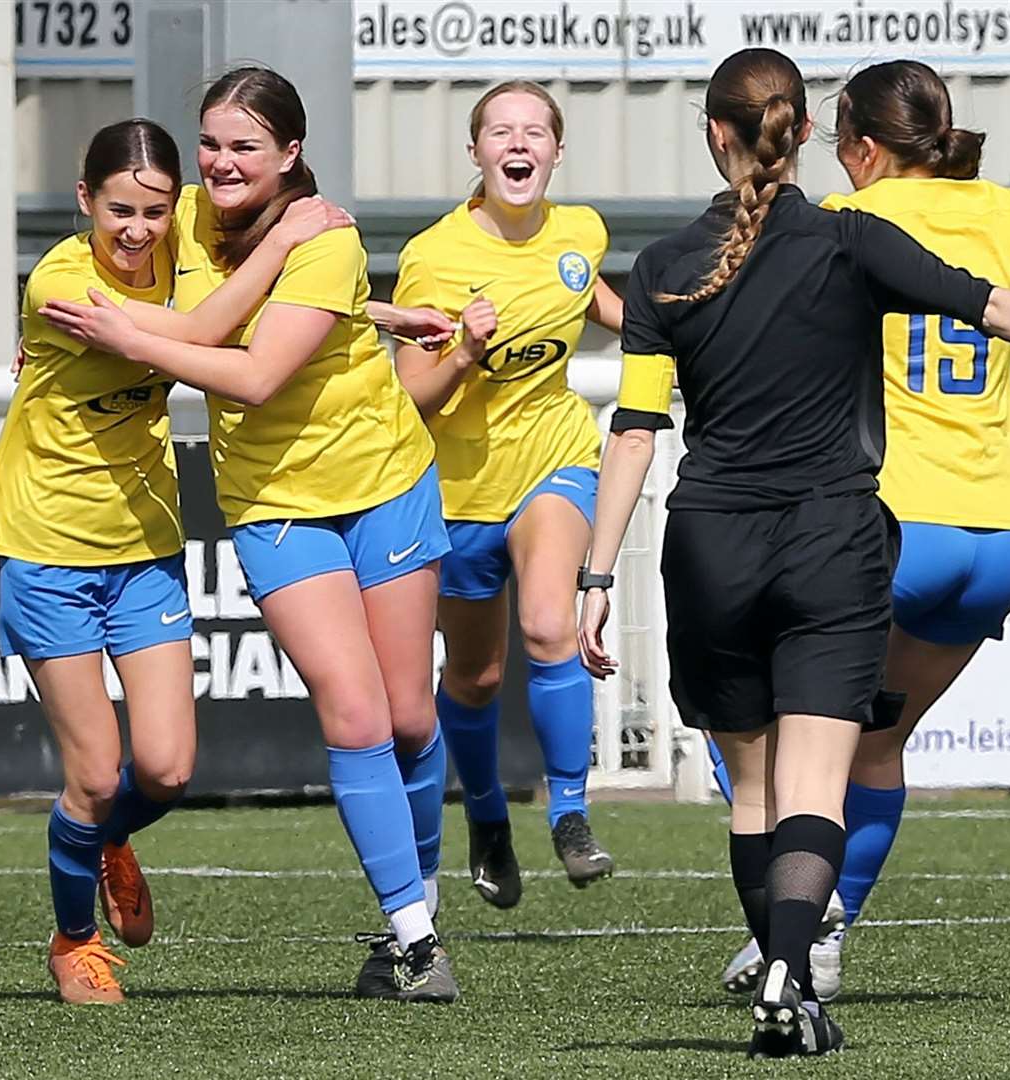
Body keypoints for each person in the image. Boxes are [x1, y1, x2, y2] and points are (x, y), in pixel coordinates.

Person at [576, 48, 1010, 1059]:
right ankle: (792, 970)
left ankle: (778, 965)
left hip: (712, 544)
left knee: (757, 794)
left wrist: (596, 576)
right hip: (836, 541)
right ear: (803, 133)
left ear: (713, 134)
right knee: (828, 782)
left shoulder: (663, 269)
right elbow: (993, 305)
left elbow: (634, 430)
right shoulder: (853, 241)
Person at [38, 67, 461, 1003]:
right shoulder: (181, 212)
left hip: (385, 481)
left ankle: (418, 896)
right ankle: (415, 936)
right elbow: (188, 315)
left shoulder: (323, 237)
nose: (221, 163)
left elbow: (255, 371)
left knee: (410, 717)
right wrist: (383, 313)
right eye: (212, 143)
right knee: (352, 715)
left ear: (291, 156)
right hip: (274, 503)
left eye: (245, 147)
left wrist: (128, 338)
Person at [0, 118, 350, 1005]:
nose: (139, 228)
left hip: (142, 546)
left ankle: (107, 839)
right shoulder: (60, 285)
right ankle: (74, 943)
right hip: (47, 545)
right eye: (117, 210)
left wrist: (375, 309)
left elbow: (247, 309)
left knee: (170, 770)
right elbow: (202, 328)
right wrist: (290, 237)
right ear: (83, 201)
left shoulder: (186, 230)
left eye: (152, 210)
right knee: (94, 773)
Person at [391, 80, 624, 905]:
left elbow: (595, 300)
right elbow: (412, 397)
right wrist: (464, 352)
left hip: (554, 462)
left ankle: (569, 812)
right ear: (477, 153)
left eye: (534, 131)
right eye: (500, 130)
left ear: (556, 151)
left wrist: (688, 331)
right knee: (476, 677)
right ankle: (487, 818)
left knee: (549, 622)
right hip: (455, 493)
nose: (517, 143)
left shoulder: (582, 231)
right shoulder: (434, 255)